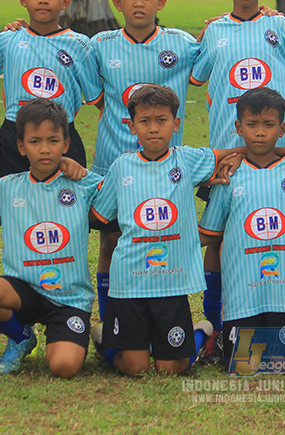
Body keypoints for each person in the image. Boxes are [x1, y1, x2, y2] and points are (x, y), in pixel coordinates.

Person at [189, 0, 285, 348]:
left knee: (278, 229)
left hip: (278, 155)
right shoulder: (215, 32)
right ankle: (215, 321)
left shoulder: (279, 27)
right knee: (222, 236)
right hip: (227, 155)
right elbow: (195, 74)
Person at [86, 0, 200, 343]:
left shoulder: (183, 45)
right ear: (117, 2)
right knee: (111, 240)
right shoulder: (100, 45)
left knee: (164, 236)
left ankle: (166, 317)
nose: (138, 3)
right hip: (113, 163)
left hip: (168, 171)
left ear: (161, 1)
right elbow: (99, 99)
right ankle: (111, 319)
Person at [92, 85, 237, 376]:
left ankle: (201, 331)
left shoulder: (187, 160)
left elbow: (239, 151)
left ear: (176, 124)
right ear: (132, 126)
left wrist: (235, 159)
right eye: (144, 121)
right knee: (135, 369)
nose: (153, 128)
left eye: (162, 120)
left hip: (170, 283)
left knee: (169, 369)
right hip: (129, 284)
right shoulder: (121, 167)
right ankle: (102, 337)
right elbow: (98, 215)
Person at [0, 99, 102, 377]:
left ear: (66, 144)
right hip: (24, 291)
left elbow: (114, 193)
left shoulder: (83, 182)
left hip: (69, 297)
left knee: (64, 367)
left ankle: (71, 335)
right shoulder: (6, 187)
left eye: (53, 141)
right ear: (21, 146)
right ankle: (21, 337)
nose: (44, 149)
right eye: (35, 141)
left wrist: (81, 170)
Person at [198, 88, 285, 367]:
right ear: (238, 127)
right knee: (242, 365)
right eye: (252, 124)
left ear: (282, 128)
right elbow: (209, 234)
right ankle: (209, 331)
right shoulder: (230, 174)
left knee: (283, 365)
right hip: (243, 295)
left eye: (269, 125)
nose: (260, 132)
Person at [0, 0, 103, 177]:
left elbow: (99, 101)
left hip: (61, 135)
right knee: (15, 201)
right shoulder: (9, 39)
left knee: (68, 203)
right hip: (14, 132)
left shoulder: (80, 45)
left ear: (65, 1)